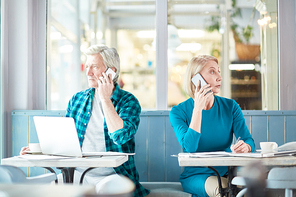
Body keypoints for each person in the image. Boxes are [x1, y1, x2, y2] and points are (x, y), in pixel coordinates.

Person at [21, 45, 150, 197]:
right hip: (78, 175)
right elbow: (65, 141)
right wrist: (39, 150)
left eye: (94, 67)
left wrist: (105, 99)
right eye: (87, 66)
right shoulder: (77, 99)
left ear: (111, 71)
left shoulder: (128, 101)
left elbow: (120, 136)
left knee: (108, 192)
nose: (88, 72)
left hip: (113, 175)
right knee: (51, 189)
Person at [169, 55, 255, 197]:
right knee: (223, 190)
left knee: (248, 188)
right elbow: (190, 147)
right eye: (212, 72)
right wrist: (198, 109)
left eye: (218, 71)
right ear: (196, 78)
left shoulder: (231, 106)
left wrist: (246, 147)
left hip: (229, 172)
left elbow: (248, 140)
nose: (219, 77)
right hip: (197, 175)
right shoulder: (178, 112)